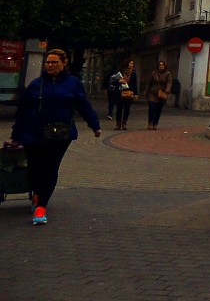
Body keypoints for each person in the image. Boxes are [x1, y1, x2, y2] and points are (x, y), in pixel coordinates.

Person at [8, 49, 101, 225]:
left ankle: (41, 206)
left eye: (54, 62)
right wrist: (16, 135)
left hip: (59, 135)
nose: (50, 65)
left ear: (63, 63)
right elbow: (22, 112)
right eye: (48, 62)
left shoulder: (72, 84)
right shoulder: (36, 84)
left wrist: (94, 125)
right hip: (32, 133)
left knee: (50, 169)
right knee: (34, 170)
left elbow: (83, 105)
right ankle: (37, 193)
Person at [145, 61, 173, 130]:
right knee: (151, 107)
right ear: (157, 66)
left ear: (165, 66)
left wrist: (167, 90)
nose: (161, 66)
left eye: (162, 65)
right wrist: (146, 92)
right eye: (160, 65)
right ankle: (150, 122)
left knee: (158, 109)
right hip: (153, 92)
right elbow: (149, 83)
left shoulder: (168, 74)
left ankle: (155, 123)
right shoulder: (154, 73)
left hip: (162, 94)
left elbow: (169, 82)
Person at [112, 58, 138, 130]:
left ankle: (124, 123)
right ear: (127, 64)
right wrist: (119, 81)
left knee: (127, 108)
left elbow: (135, 84)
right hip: (119, 92)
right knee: (119, 109)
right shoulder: (119, 72)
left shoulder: (133, 73)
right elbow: (113, 81)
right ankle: (118, 124)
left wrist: (136, 93)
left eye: (133, 64)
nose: (132, 65)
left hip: (129, 92)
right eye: (131, 63)